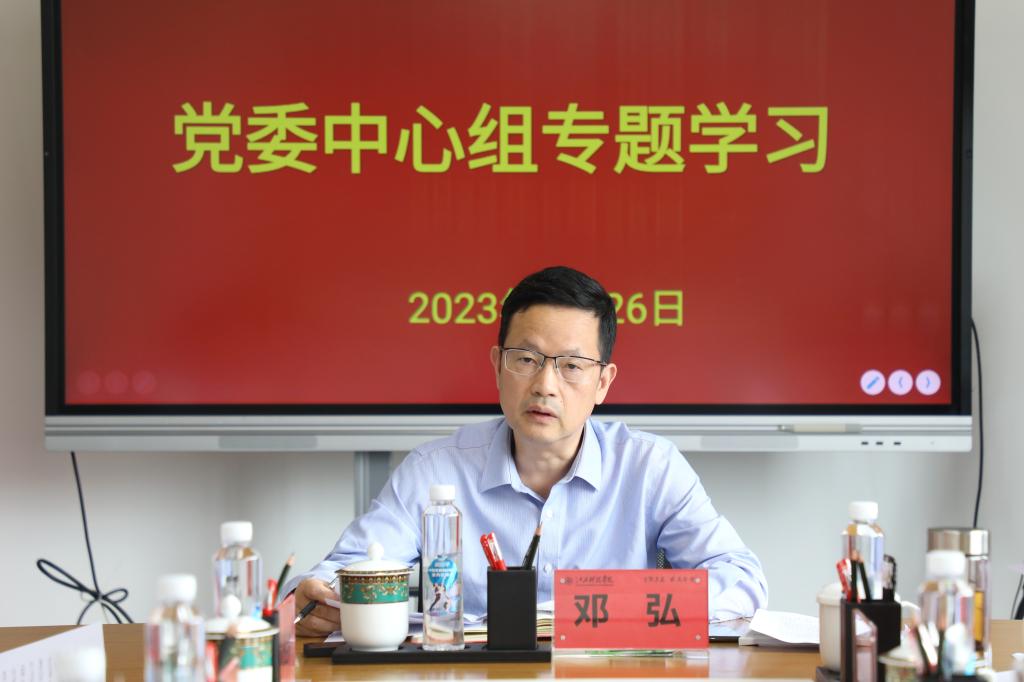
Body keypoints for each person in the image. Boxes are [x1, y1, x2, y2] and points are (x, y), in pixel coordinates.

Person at [285, 266, 768, 636]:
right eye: (527, 359)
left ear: (603, 382)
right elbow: (333, 578)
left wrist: (607, 607)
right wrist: (312, 599)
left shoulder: (649, 466)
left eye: (571, 365)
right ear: (497, 365)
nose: (545, 385)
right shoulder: (435, 470)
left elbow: (743, 581)